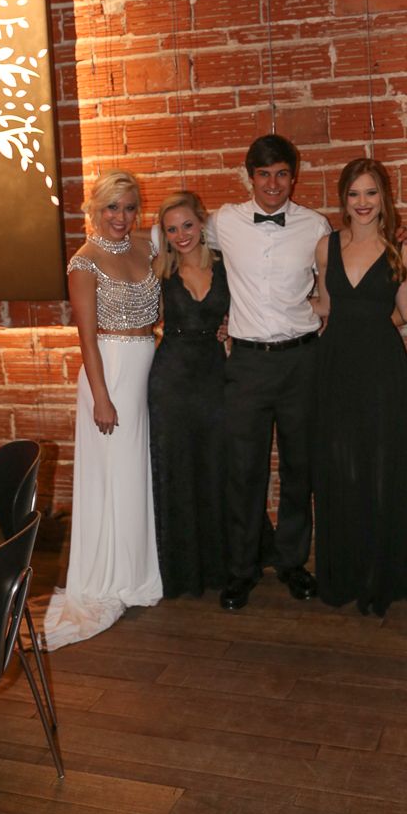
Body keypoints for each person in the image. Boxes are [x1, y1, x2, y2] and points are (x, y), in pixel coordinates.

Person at [44, 170, 163, 649]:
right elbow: (87, 338)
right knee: (113, 477)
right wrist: (101, 397)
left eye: (129, 207)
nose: (121, 216)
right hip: (109, 374)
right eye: (113, 206)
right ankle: (108, 577)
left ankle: (134, 571)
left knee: (134, 475)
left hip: (146, 369)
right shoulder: (84, 262)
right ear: (95, 208)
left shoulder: (147, 249)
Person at [212, 134, 330, 610]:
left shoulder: (315, 226)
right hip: (246, 364)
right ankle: (242, 568)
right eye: (264, 174)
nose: (273, 184)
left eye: (282, 174)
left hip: (302, 360)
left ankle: (292, 561)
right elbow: (175, 240)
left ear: (293, 177)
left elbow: (334, 286)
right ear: (250, 177)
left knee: (300, 467)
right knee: (244, 470)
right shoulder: (224, 222)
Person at [312, 158, 407, 617]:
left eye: (371, 193)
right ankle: (344, 573)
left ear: (383, 197)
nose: (362, 202)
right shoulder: (326, 246)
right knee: (339, 468)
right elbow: (324, 306)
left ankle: (380, 575)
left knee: (381, 467)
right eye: (354, 193)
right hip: (334, 365)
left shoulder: (401, 249)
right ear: (344, 198)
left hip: (382, 368)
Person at [148, 191, 230, 597]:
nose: (181, 235)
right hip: (172, 382)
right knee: (176, 467)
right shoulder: (159, 272)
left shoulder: (227, 266)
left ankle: (219, 565)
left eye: (187, 225)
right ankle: (180, 570)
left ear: (202, 222)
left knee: (216, 465)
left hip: (215, 377)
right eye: (171, 230)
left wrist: (232, 327)